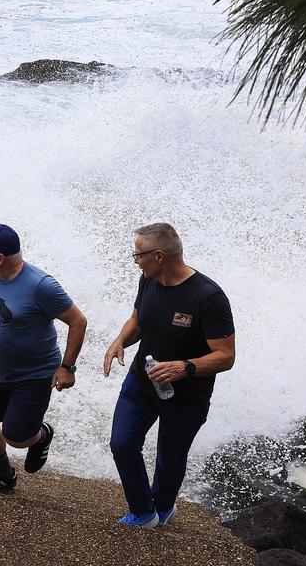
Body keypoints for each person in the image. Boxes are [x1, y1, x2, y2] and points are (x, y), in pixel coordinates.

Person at [103, 222, 236, 527]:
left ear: (159, 255)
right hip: (142, 380)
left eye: (138, 255)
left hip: (187, 395)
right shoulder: (148, 279)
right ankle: (142, 512)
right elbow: (138, 319)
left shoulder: (208, 297)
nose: (135, 260)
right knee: (122, 444)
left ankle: (162, 508)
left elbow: (226, 356)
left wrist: (184, 367)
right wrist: (119, 341)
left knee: (169, 458)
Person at [0, 223, 88, 493]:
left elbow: (78, 321)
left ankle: (41, 435)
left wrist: (67, 367)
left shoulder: (40, 285)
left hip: (33, 376)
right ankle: (4, 473)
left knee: (16, 437)